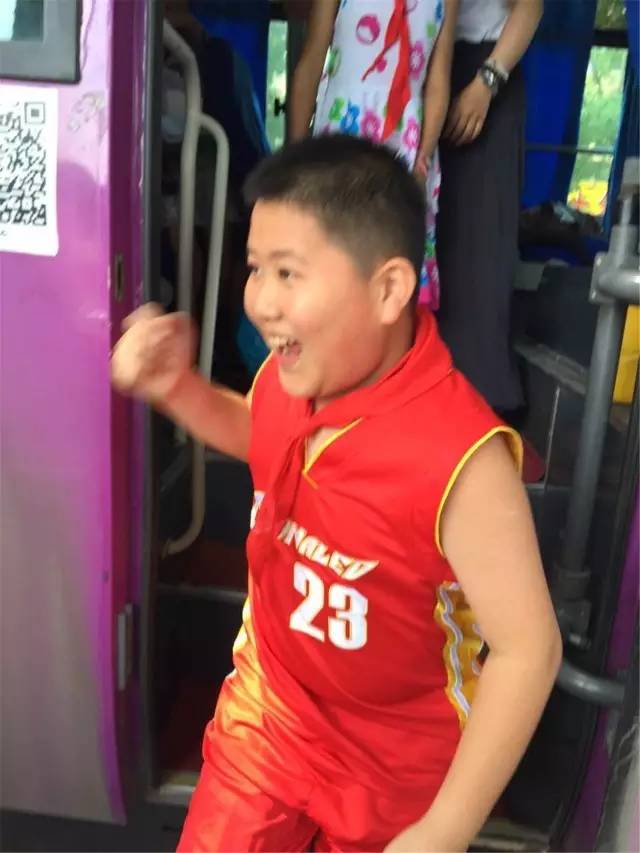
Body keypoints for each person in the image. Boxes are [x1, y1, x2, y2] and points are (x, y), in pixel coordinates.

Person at [111, 135, 561, 852]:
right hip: (271, 711)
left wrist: (443, 830)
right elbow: (258, 433)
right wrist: (178, 388)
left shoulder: (463, 462)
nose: (260, 301)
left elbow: (527, 650)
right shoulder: (292, 375)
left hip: (395, 764)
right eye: (255, 268)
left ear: (388, 290)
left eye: (288, 272)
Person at [288, 0, 459, 310]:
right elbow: (312, 61)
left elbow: (438, 81)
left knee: (393, 267)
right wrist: (292, 163)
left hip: (406, 147)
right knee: (333, 256)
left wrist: (422, 159)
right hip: (343, 135)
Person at [436, 0, 543, 412]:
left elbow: (529, 7)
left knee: (477, 240)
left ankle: (479, 400)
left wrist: (487, 82)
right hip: (424, 65)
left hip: (485, 68)